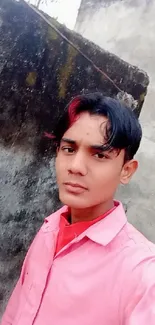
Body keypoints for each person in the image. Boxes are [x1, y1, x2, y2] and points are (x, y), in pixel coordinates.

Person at [1, 92, 155, 325]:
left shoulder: (143, 273)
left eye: (100, 155)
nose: (76, 167)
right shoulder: (50, 229)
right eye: (69, 150)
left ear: (126, 170)